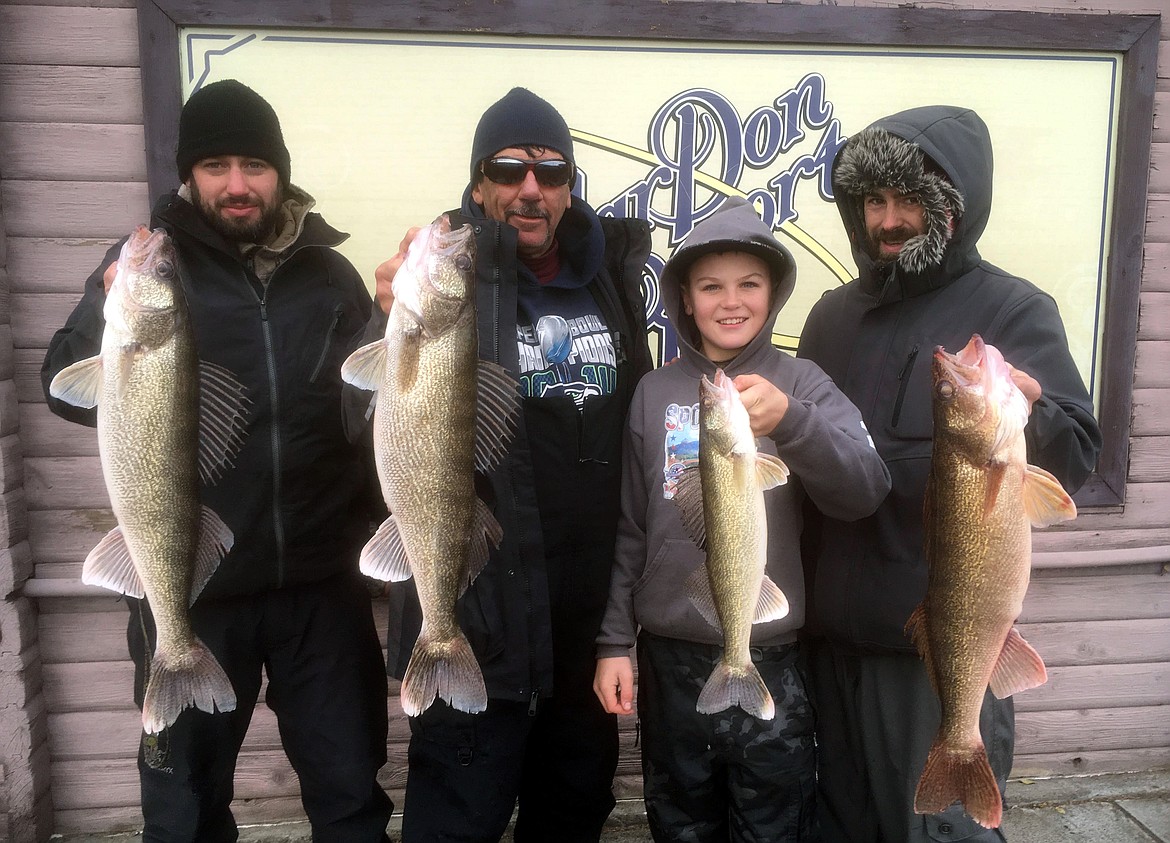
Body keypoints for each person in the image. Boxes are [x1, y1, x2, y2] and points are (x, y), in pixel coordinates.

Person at [41, 79, 394, 841]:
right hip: (191, 584)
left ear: (281, 173)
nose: (238, 185)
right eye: (216, 166)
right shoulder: (145, 269)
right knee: (185, 807)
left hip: (320, 591)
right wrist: (103, 313)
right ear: (188, 175)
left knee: (351, 795)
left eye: (255, 165)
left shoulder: (329, 276)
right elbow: (66, 394)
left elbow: (363, 418)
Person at [796, 105, 1104, 842]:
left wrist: (1037, 412)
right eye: (875, 201)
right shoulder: (830, 316)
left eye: (911, 201)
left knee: (941, 835)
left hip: (936, 661)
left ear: (955, 208)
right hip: (827, 651)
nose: (890, 220)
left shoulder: (1011, 307)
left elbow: (1076, 455)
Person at [372, 87, 654, 842]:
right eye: (508, 168)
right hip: (478, 625)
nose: (530, 188)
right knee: (454, 825)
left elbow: (639, 443)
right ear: (478, 184)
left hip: (583, 638)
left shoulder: (612, 280)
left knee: (572, 816)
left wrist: (621, 626)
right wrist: (387, 319)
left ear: (568, 187)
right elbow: (360, 425)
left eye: (551, 171)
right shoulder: (447, 281)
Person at [592, 197, 890, 842]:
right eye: (711, 286)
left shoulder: (802, 384)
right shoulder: (654, 392)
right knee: (680, 821)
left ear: (774, 293)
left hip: (770, 654)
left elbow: (866, 488)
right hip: (668, 653)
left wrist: (794, 423)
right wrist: (615, 642)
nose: (731, 301)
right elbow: (631, 527)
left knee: (773, 822)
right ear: (684, 299)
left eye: (749, 283)